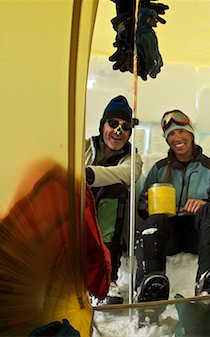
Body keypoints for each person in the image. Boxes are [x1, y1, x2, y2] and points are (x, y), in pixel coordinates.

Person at [135, 109, 210, 302]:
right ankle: (151, 284)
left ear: (191, 134)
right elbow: (141, 207)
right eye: (171, 134)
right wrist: (147, 206)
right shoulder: (159, 169)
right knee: (155, 220)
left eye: (181, 131)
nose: (176, 137)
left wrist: (204, 205)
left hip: (198, 235)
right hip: (168, 235)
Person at [85, 95, 143, 304]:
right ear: (103, 126)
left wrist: (88, 175)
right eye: (113, 123)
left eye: (125, 126)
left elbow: (126, 174)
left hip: (109, 227)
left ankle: (107, 278)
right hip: (77, 218)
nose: (118, 131)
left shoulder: (132, 158)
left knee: (115, 190)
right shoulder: (82, 148)